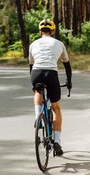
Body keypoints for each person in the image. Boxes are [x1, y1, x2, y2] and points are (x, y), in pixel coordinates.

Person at [29, 19, 72, 156]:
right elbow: (66, 64)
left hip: (36, 73)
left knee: (38, 91)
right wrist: (69, 81)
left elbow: (31, 64)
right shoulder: (59, 44)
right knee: (56, 108)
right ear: (52, 31)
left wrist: (34, 85)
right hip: (51, 74)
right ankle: (57, 142)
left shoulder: (33, 44)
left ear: (40, 31)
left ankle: (38, 117)